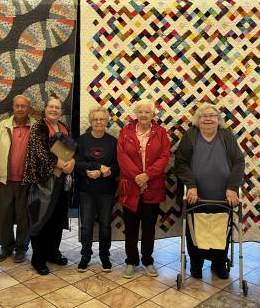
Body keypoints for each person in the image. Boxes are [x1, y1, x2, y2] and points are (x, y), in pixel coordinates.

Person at [174, 103, 245, 279]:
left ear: (218, 119)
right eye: (203, 116)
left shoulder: (226, 135)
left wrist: (232, 188)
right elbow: (180, 163)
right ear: (197, 120)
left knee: (221, 231)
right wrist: (191, 185)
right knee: (195, 231)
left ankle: (219, 264)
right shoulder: (191, 135)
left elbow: (238, 161)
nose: (208, 118)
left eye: (212, 115)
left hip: (223, 197)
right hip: (195, 197)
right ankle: (196, 265)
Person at [117, 99, 170, 279]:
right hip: (130, 187)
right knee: (130, 227)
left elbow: (164, 157)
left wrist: (148, 176)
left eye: (147, 112)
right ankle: (131, 261)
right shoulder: (125, 132)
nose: (144, 115)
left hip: (153, 186)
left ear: (153, 114)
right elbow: (122, 157)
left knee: (149, 228)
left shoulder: (161, 133)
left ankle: (148, 260)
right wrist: (138, 177)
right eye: (140, 111)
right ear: (136, 114)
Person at [23, 95, 76, 275]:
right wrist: (60, 163)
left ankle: (53, 252)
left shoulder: (63, 127)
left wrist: (72, 163)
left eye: (57, 108)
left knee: (57, 218)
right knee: (40, 219)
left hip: (62, 181)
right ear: (45, 109)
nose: (54, 110)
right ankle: (38, 258)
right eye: (51, 107)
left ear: (61, 111)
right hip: (43, 180)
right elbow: (38, 151)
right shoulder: (39, 126)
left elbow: (70, 151)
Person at [75, 107, 118, 272]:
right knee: (86, 225)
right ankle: (85, 255)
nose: (98, 122)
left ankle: (104, 256)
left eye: (102, 119)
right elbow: (77, 164)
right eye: (95, 119)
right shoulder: (81, 141)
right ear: (90, 121)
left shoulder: (113, 142)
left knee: (106, 225)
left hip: (106, 191)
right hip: (86, 190)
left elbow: (117, 166)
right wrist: (90, 169)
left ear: (106, 121)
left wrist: (102, 172)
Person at [0, 94, 34, 263]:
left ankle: (21, 248)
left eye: (23, 106)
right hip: (5, 180)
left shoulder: (37, 127)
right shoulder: (2, 126)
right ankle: (5, 247)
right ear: (13, 107)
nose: (20, 109)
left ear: (29, 108)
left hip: (27, 181)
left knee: (24, 217)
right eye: (17, 106)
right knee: (4, 216)